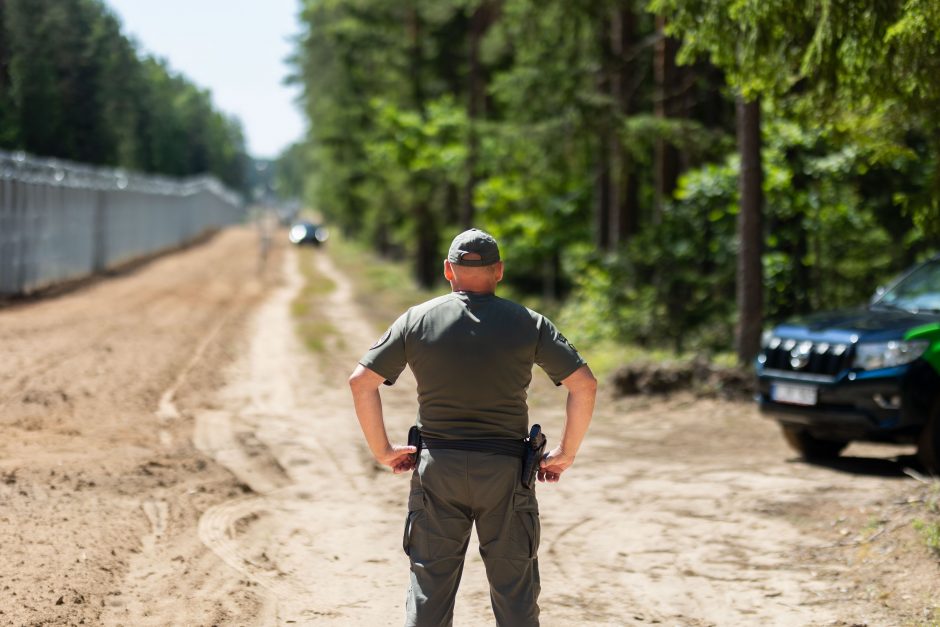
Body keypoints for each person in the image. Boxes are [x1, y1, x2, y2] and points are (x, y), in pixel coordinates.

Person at [348, 228, 597, 627]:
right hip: (505, 475)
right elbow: (584, 385)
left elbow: (361, 382)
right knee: (516, 596)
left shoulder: (418, 319)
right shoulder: (529, 323)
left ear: (449, 270)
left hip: (438, 470)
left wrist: (383, 451)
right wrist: (566, 452)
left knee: (429, 594)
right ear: (498, 271)